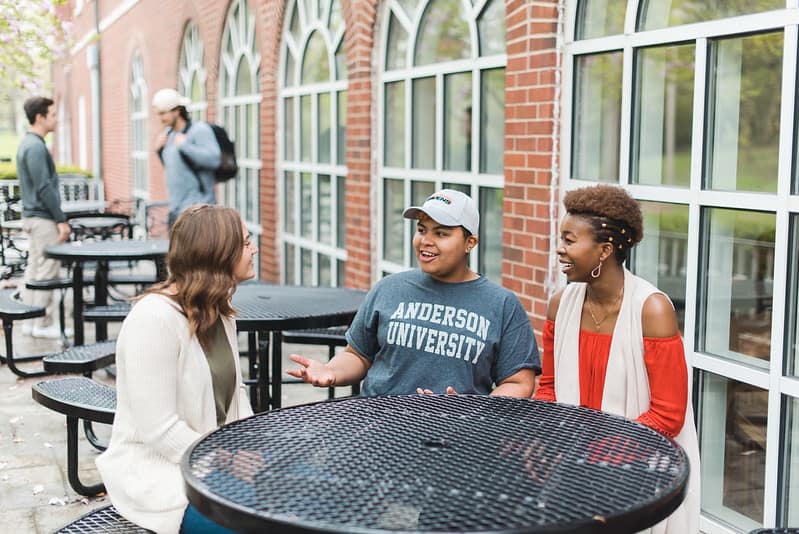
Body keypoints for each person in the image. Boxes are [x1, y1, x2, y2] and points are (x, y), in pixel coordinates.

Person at [533, 184, 700, 533]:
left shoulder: (652, 310)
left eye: (569, 240)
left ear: (605, 250)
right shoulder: (560, 303)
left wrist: (596, 459)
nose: (559, 250)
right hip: (572, 466)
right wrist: (544, 438)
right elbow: (548, 388)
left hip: (639, 471)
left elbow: (668, 415)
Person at [96, 205, 257, 533]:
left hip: (216, 463)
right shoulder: (153, 320)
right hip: (163, 477)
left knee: (315, 494)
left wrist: (248, 448)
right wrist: (227, 459)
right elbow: (160, 431)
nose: (254, 249)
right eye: (245, 242)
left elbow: (236, 394)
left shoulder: (221, 312)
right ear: (218, 253)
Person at [289, 189, 540, 397]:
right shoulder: (389, 288)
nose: (426, 241)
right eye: (422, 230)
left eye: (441, 233)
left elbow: (519, 383)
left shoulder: (502, 304)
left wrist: (471, 410)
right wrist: (331, 371)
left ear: (469, 243)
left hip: (458, 439)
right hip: (380, 429)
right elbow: (358, 356)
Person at [16, 96, 72, 339]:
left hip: (33, 217)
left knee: (35, 269)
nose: (56, 119)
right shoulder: (36, 146)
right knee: (47, 270)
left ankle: (30, 322)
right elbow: (44, 187)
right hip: (42, 219)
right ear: (40, 117)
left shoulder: (28, 144)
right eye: (53, 114)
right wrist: (61, 219)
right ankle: (43, 322)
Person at [152, 88, 220, 228]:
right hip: (176, 210)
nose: (160, 118)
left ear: (176, 111)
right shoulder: (168, 134)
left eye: (163, 113)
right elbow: (175, 169)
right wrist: (158, 151)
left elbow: (214, 160)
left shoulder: (199, 130)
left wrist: (185, 146)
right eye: (158, 114)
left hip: (199, 212)